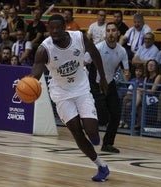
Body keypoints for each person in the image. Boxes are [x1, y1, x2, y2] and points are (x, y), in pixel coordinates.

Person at [30, 14, 110, 182]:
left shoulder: (78, 37)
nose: (55, 31)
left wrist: (102, 77)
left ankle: (93, 134)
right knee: (75, 130)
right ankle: (101, 166)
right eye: (51, 28)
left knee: (92, 132)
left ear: (65, 26)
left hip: (81, 88)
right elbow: (36, 71)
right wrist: (28, 83)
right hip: (61, 92)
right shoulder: (44, 49)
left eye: (58, 27)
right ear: (48, 29)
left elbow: (94, 53)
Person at [86, 22, 130, 153]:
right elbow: (84, 62)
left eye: (113, 30)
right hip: (95, 84)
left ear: (118, 33)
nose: (111, 33)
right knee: (103, 118)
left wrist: (127, 74)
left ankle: (107, 144)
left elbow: (126, 71)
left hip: (110, 84)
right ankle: (87, 123)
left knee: (116, 115)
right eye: (108, 31)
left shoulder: (121, 51)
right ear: (105, 33)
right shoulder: (98, 47)